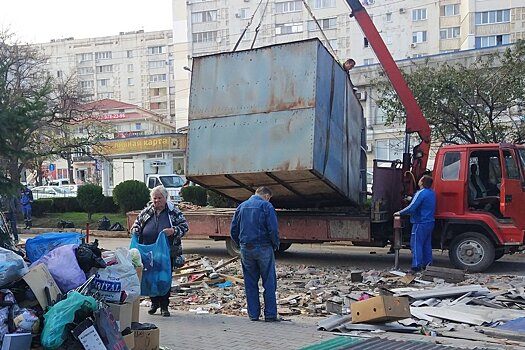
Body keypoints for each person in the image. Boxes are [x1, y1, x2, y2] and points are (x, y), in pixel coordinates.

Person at [131, 185, 189, 317]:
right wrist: (135, 229)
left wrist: (173, 231)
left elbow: (185, 227)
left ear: (165, 198)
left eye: (159, 198)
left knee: (164, 277)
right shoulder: (146, 212)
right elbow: (137, 224)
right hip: (149, 250)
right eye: (154, 198)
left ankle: (164, 306)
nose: (156, 201)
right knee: (150, 277)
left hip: (167, 251)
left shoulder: (173, 212)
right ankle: (154, 303)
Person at [230, 186, 280, 322]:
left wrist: (240, 244)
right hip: (264, 247)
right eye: (269, 198)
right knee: (269, 281)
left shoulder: (241, 206)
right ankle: (270, 314)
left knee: (250, 282)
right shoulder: (266, 206)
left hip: (246, 248)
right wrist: (275, 244)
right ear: (266, 196)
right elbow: (273, 229)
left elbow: (233, 229)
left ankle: (253, 315)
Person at [394, 175, 436, 273]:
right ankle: (428, 264)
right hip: (430, 222)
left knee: (416, 244)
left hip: (420, 222)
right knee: (426, 244)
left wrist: (399, 212)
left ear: (422, 182)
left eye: (420, 179)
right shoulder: (431, 193)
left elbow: (412, 207)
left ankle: (416, 265)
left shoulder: (420, 193)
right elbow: (420, 201)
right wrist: (411, 198)